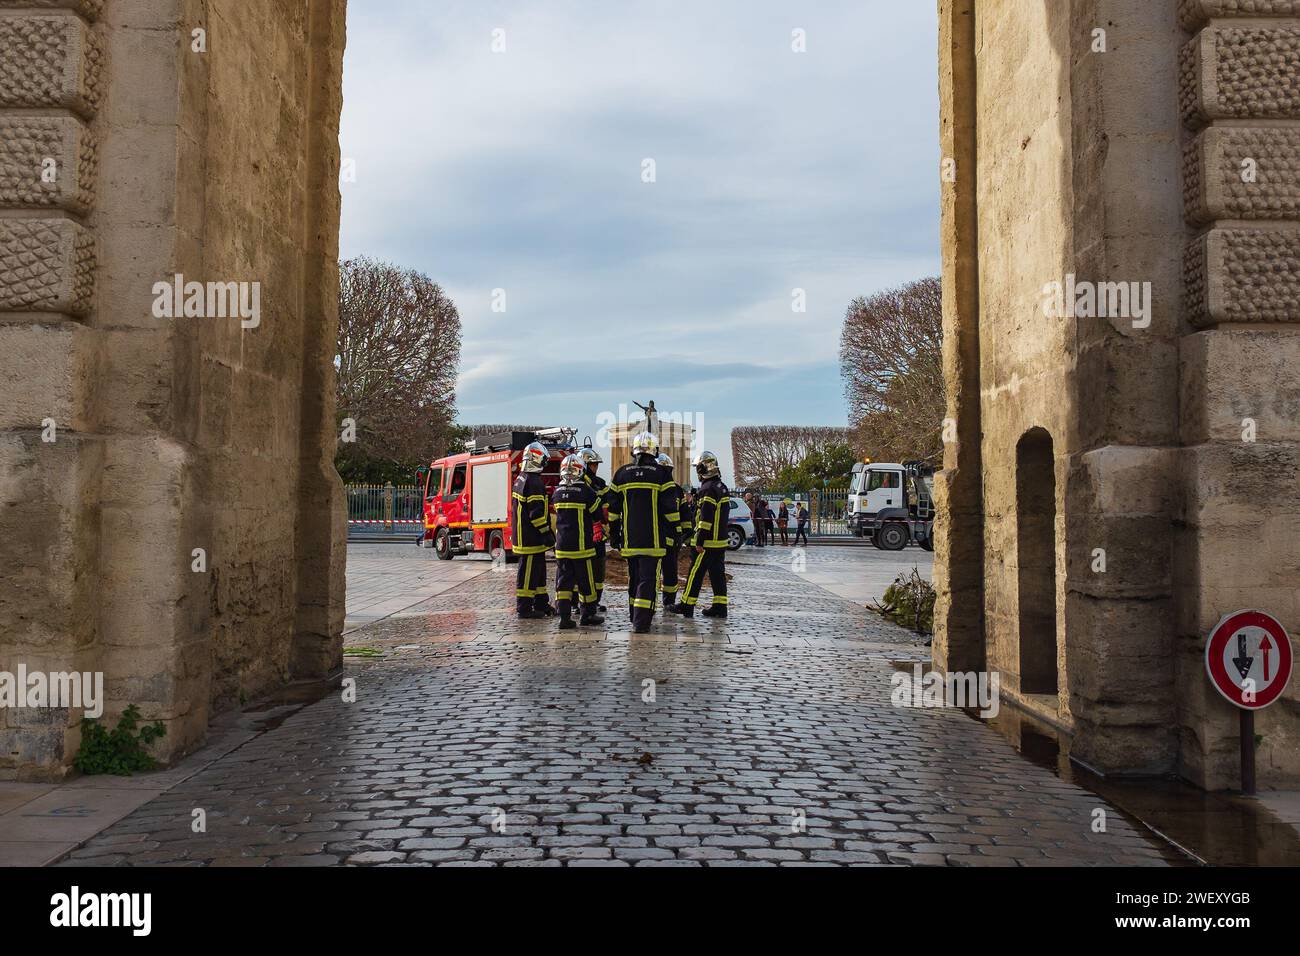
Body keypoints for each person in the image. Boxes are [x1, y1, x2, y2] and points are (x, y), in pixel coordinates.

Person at [607, 431, 680, 634]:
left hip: (629, 540)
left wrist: (614, 535)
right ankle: (641, 621)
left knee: (634, 578)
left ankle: (633, 615)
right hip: (654, 540)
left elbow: (613, 511)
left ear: (634, 450)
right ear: (654, 450)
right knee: (648, 580)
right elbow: (670, 510)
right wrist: (675, 533)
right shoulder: (662, 474)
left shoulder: (621, 474)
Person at [669, 451, 730, 619]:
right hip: (719, 541)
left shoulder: (707, 489)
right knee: (717, 574)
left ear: (703, 468)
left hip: (707, 542)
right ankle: (720, 606)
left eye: (698, 468)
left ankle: (686, 605)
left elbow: (705, 518)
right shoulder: (721, 486)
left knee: (695, 573)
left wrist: (700, 540)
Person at [551, 453, 605, 629]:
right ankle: (587, 615)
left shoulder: (557, 493)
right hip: (582, 547)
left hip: (562, 547)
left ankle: (564, 618)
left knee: (564, 583)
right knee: (586, 583)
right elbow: (597, 514)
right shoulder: (585, 491)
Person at [511, 440, 555, 618]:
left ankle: (541, 603)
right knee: (528, 573)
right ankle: (524, 608)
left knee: (538, 573)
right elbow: (536, 514)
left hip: (525, 536)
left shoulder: (521, 478)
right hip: (530, 538)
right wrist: (547, 533)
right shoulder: (534, 482)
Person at [655, 452, 689, 610]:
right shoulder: (652, 488)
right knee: (652, 573)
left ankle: (669, 601)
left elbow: (684, 513)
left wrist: (686, 532)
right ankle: (650, 601)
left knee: (670, 572)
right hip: (654, 538)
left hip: (672, 539)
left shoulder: (677, 490)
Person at [578, 446, 610, 611]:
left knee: (598, 569)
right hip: (583, 534)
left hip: (599, 534)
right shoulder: (579, 484)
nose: (595, 468)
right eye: (592, 465)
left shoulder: (600, 484)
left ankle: (595, 601)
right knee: (582, 569)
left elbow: (606, 506)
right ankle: (578, 603)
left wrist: (606, 521)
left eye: (596, 464)